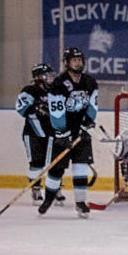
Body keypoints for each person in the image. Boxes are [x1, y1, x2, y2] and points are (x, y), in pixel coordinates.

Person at [40, 46, 98, 218]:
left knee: (81, 167)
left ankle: (80, 203)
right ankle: (48, 199)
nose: (77, 63)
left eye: (79, 60)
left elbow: (93, 106)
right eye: (74, 60)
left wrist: (87, 123)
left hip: (81, 132)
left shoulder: (89, 82)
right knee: (56, 170)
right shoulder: (58, 84)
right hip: (62, 133)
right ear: (67, 63)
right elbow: (56, 111)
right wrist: (62, 132)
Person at [16, 62, 57, 204]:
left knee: (55, 162)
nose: (51, 79)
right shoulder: (29, 90)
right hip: (32, 133)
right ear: (39, 77)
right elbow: (21, 108)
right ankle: (36, 190)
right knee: (37, 163)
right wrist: (36, 108)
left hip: (51, 132)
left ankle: (54, 189)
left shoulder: (54, 91)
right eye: (48, 76)